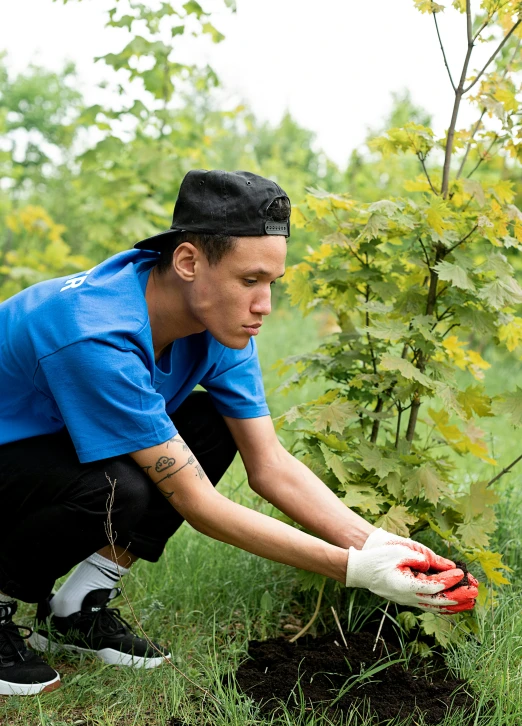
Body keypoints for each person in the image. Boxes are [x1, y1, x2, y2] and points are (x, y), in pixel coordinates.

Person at [0, 170, 478, 696]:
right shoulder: (96, 335)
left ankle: (78, 605)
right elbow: (201, 505)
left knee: (210, 426)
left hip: (47, 445)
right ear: (188, 262)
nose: (264, 305)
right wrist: (354, 569)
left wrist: (378, 544)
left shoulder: (217, 325)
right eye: (249, 281)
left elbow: (269, 464)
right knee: (119, 488)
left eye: (272, 283)